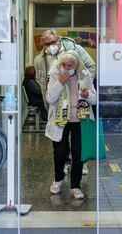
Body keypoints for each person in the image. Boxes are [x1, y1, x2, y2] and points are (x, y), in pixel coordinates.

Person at [34, 28, 95, 175]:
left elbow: (91, 66)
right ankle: (66, 164)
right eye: (46, 44)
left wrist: (85, 85)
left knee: (78, 143)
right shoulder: (40, 60)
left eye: (52, 42)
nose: (50, 46)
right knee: (60, 141)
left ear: (59, 40)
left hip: (77, 103)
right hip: (57, 102)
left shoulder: (76, 49)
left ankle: (81, 164)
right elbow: (43, 83)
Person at [45, 51, 96, 199]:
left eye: (70, 65)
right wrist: (60, 82)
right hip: (61, 119)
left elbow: (95, 99)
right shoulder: (55, 75)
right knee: (60, 152)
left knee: (78, 153)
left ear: (77, 65)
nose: (67, 68)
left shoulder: (84, 75)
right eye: (64, 65)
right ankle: (58, 179)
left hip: (80, 120)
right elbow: (49, 98)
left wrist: (88, 95)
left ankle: (75, 186)